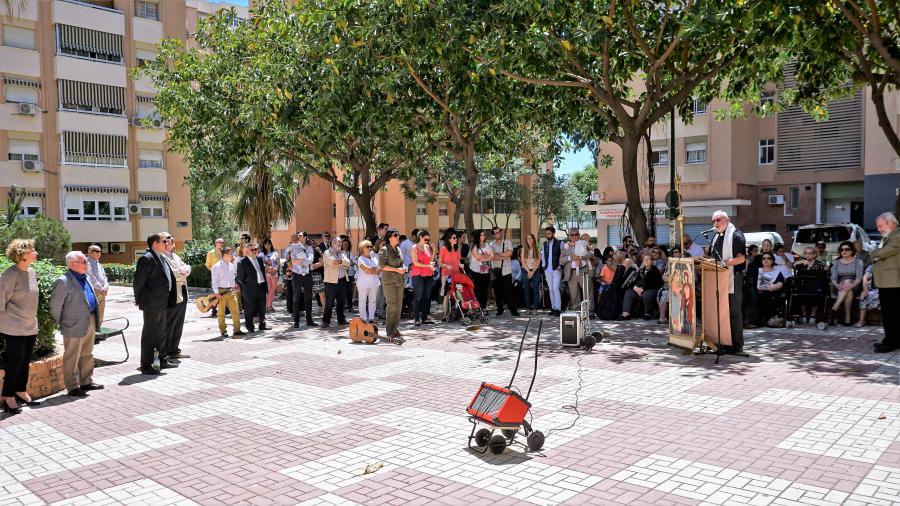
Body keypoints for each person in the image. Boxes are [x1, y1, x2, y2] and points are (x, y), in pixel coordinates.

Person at [50, 251, 104, 398]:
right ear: (73, 265)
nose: (87, 264)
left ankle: (86, 381)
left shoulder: (85, 277)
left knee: (87, 353)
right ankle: (73, 386)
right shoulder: (63, 281)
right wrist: (63, 323)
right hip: (72, 324)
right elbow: (55, 306)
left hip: (90, 319)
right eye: (84, 262)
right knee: (72, 356)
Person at [0, 239, 39, 414]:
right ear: (22, 254)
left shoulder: (31, 272)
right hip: (13, 326)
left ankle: (20, 391)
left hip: (30, 325)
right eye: (33, 250)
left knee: (24, 361)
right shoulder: (10, 274)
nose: (36, 253)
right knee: (14, 361)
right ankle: (8, 397)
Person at [133, 233, 177, 374]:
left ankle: (162, 360)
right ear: (155, 243)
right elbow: (138, 282)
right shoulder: (147, 259)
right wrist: (139, 299)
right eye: (164, 240)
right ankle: (146, 365)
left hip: (162, 302)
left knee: (161, 333)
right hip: (151, 303)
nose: (167, 242)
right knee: (150, 334)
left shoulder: (161, 256)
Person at [708, 210, 747, 354]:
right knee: (721, 312)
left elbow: (741, 258)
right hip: (717, 279)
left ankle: (736, 345)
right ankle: (722, 341)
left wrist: (723, 263)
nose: (715, 223)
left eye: (718, 220)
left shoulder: (736, 235)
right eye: (713, 221)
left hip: (733, 278)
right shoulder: (716, 236)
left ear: (727, 220)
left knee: (733, 312)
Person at [161, 233, 191, 362]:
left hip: (182, 292)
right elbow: (173, 273)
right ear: (163, 242)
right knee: (170, 323)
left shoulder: (175, 255)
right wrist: (182, 272)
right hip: (173, 294)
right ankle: (166, 351)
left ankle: (174, 349)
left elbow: (187, 267)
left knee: (178, 323)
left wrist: (185, 270)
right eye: (168, 239)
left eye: (173, 239)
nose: (172, 241)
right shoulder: (162, 256)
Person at [872, 212, 899, 352]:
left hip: (893, 282)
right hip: (889, 282)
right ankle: (892, 339)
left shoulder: (898, 235)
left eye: (880, 225)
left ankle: (890, 343)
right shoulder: (889, 236)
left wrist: (873, 252)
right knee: (891, 314)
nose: (878, 229)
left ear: (890, 223)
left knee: (891, 314)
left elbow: (883, 252)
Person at [379, 229, 407, 339]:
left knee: (399, 306)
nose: (397, 237)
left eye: (398, 235)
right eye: (395, 235)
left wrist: (403, 268)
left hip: (399, 281)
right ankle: (390, 331)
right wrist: (397, 270)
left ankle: (395, 328)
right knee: (392, 306)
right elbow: (382, 265)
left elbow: (400, 263)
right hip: (389, 281)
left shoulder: (398, 249)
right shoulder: (384, 249)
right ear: (389, 237)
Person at [210, 247, 244, 338]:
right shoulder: (216, 266)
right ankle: (223, 331)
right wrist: (216, 293)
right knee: (221, 313)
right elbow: (214, 281)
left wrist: (235, 285)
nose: (233, 255)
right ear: (225, 255)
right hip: (221, 292)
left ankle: (237, 330)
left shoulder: (231, 265)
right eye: (231, 254)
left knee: (236, 311)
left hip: (231, 291)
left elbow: (233, 278)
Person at [235, 242, 269, 332]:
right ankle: (249, 326)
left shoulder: (260, 259)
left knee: (262, 307)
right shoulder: (242, 262)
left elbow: (262, 273)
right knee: (249, 308)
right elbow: (239, 279)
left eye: (256, 249)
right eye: (252, 250)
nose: (255, 251)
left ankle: (262, 324)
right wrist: (247, 287)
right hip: (249, 289)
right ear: (246, 251)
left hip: (261, 287)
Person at [829, 240, 864, 326]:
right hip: (839, 287)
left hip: (855, 285)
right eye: (842, 249)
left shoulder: (858, 262)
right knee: (847, 289)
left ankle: (834, 308)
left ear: (852, 250)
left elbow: (859, 278)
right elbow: (833, 279)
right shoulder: (835, 262)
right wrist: (838, 286)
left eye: (847, 249)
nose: (844, 251)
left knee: (847, 282)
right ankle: (847, 319)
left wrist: (850, 285)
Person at [287, 232, 317, 327]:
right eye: (298, 236)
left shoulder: (309, 248)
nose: (299, 237)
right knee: (296, 299)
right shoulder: (293, 247)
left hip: (307, 275)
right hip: (297, 275)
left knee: (308, 298)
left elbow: (310, 260)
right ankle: (296, 322)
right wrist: (296, 261)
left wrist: (298, 261)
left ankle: (309, 320)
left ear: (305, 237)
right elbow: (292, 261)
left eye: (300, 235)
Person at [792, 246, 828, 324]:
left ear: (815, 255)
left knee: (814, 291)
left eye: (810, 253)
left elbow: (822, 274)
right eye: (805, 253)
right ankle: (804, 315)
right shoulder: (802, 263)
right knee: (800, 291)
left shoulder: (819, 264)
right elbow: (794, 266)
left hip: (815, 286)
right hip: (803, 286)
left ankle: (813, 315)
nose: (807, 255)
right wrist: (800, 262)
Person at [621, 254, 663, 320]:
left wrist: (642, 289)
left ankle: (647, 313)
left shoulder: (655, 270)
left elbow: (654, 283)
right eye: (644, 259)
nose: (646, 261)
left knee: (646, 295)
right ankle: (626, 313)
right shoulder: (641, 270)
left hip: (652, 289)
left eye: (648, 259)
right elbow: (633, 281)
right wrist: (635, 288)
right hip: (639, 288)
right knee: (629, 292)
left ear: (652, 261)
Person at [322, 237, 351, 328]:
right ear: (333, 243)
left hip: (342, 280)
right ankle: (326, 321)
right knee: (329, 302)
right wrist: (342, 263)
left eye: (341, 243)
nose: (340, 244)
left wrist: (340, 262)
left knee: (341, 301)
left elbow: (348, 263)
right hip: (331, 282)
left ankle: (341, 320)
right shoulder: (327, 253)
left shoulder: (342, 253)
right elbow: (333, 263)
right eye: (339, 242)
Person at [410, 229, 438, 325]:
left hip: (429, 274)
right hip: (418, 274)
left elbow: (431, 260)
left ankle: (425, 318)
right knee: (418, 296)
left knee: (427, 296)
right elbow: (415, 262)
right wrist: (427, 266)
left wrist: (434, 250)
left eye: (428, 240)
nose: (427, 242)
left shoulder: (427, 247)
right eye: (426, 239)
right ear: (420, 237)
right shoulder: (414, 247)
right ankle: (417, 318)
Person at [489, 227, 518, 317]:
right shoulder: (491, 244)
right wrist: (503, 256)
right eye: (496, 233)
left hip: (506, 271)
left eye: (499, 232)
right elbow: (492, 257)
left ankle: (513, 310)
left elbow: (509, 254)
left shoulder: (507, 242)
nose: (499, 234)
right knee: (497, 293)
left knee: (509, 292)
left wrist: (497, 254)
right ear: (494, 235)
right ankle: (500, 309)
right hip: (495, 271)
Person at [562, 228, 590, 310]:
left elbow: (592, 254)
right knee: (574, 295)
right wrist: (570, 257)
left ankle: (589, 312)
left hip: (583, 270)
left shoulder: (583, 243)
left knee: (587, 293)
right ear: (569, 236)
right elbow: (561, 260)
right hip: (571, 273)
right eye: (572, 235)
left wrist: (581, 256)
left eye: (576, 234)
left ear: (579, 235)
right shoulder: (565, 246)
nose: (574, 236)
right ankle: (577, 312)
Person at [439, 231, 464, 320]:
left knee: (458, 293)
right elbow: (439, 263)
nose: (456, 239)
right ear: (449, 239)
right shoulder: (443, 249)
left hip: (456, 275)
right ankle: (445, 315)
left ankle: (458, 313)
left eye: (456, 238)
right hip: (445, 275)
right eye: (454, 238)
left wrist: (461, 265)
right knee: (446, 295)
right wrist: (446, 265)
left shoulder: (457, 249)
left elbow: (458, 261)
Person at [756, 252, 786, 326]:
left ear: (772, 261)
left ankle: (770, 320)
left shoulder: (777, 272)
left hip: (771, 295)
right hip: (756, 295)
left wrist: (771, 287)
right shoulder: (756, 271)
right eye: (764, 258)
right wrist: (768, 287)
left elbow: (780, 284)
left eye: (769, 258)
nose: (766, 260)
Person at [596, 252, 627, 320]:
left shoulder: (619, 267)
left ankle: (606, 312)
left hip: (615, 287)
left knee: (606, 293)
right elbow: (602, 277)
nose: (612, 261)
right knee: (602, 291)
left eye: (612, 259)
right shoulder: (607, 268)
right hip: (609, 285)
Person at [356, 240, 380, 323]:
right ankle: (363, 318)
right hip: (363, 283)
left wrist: (372, 269)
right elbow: (367, 270)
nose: (370, 248)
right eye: (368, 246)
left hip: (374, 282)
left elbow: (379, 269)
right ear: (362, 248)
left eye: (371, 246)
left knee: (373, 300)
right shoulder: (360, 259)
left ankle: (371, 318)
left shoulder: (374, 258)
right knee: (362, 300)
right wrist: (374, 269)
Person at [469, 230, 493, 311]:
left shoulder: (487, 245)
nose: (483, 236)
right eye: (481, 235)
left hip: (485, 271)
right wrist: (487, 256)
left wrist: (483, 257)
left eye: (484, 235)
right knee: (477, 290)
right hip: (476, 272)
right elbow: (478, 257)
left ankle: (484, 308)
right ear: (478, 236)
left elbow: (492, 256)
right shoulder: (474, 246)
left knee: (485, 290)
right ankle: (477, 307)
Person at [519, 233, 542, 315]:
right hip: (525, 270)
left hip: (535, 271)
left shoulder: (537, 249)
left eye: (531, 238)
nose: (530, 240)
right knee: (527, 290)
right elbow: (523, 261)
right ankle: (528, 308)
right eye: (528, 238)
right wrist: (528, 271)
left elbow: (539, 261)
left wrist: (533, 271)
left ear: (534, 239)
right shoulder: (523, 249)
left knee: (536, 290)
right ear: (526, 240)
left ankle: (535, 308)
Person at [85, 244, 109, 324]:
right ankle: (93, 333)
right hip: (93, 291)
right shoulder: (86, 263)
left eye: (100, 251)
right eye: (97, 251)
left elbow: (104, 277)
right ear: (90, 252)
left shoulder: (98, 264)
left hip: (102, 291)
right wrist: (101, 288)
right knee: (93, 313)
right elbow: (91, 279)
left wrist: (105, 287)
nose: (99, 253)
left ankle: (99, 331)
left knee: (101, 312)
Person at [542, 226, 563, 316]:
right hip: (548, 270)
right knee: (551, 289)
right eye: (546, 234)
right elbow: (543, 256)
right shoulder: (544, 244)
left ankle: (558, 308)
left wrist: (560, 265)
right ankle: (553, 308)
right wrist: (543, 266)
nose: (547, 235)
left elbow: (563, 254)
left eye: (549, 234)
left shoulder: (560, 243)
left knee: (555, 289)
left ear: (553, 234)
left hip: (556, 269)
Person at [205, 238, 225, 317]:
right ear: (216, 243)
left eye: (223, 242)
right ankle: (214, 309)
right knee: (215, 292)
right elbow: (208, 264)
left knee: (224, 291)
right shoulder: (211, 253)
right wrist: (214, 271)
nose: (222, 244)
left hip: (225, 276)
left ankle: (224, 309)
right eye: (220, 242)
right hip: (216, 276)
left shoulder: (225, 252)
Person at [261, 239, 279, 312]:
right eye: (266, 244)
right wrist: (266, 267)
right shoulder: (261, 254)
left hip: (274, 274)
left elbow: (278, 263)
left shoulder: (275, 253)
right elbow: (261, 263)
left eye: (269, 243)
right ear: (264, 245)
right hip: (266, 274)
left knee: (272, 291)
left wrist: (275, 270)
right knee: (267, 291)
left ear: (271, 244)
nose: (267, 245)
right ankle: (265, 307)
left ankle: (270, 306)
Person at [342, 237, 357, 313]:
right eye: (344, 244)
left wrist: (348, 263)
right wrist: (349, 262)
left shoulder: (350, 253)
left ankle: (350, 306)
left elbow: (354, 263)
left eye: (347, 244)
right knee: (342, 291)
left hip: (350, 274)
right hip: (342, 275)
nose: (345, 245)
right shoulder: (340, 253)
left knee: (349, 291)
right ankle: (343, 306)